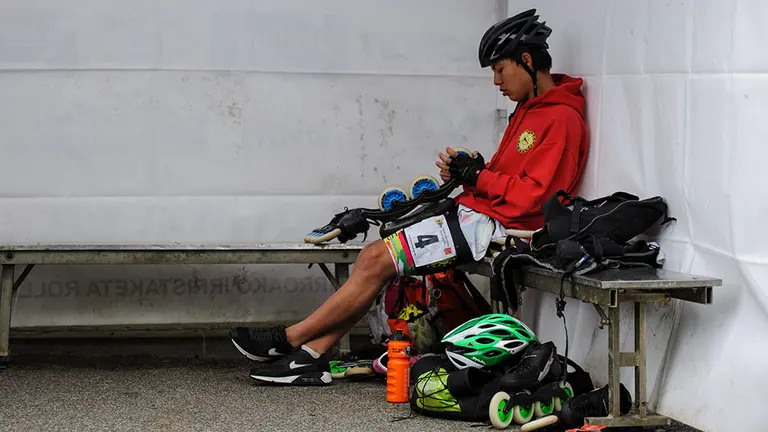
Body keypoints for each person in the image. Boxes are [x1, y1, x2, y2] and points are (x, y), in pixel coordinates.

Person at [230, 8, 589, 386]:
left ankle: (289, 339)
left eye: (500, 69)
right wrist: (473, 170)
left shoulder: (561, 119)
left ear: (527, 61)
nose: (496, 81)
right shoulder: (528, 111)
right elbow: (509, 179)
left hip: (498, 229)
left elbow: (535, 199)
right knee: (374, 258)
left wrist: (479, 177)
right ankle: (309, 356)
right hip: (478, 217)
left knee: (374, 261)